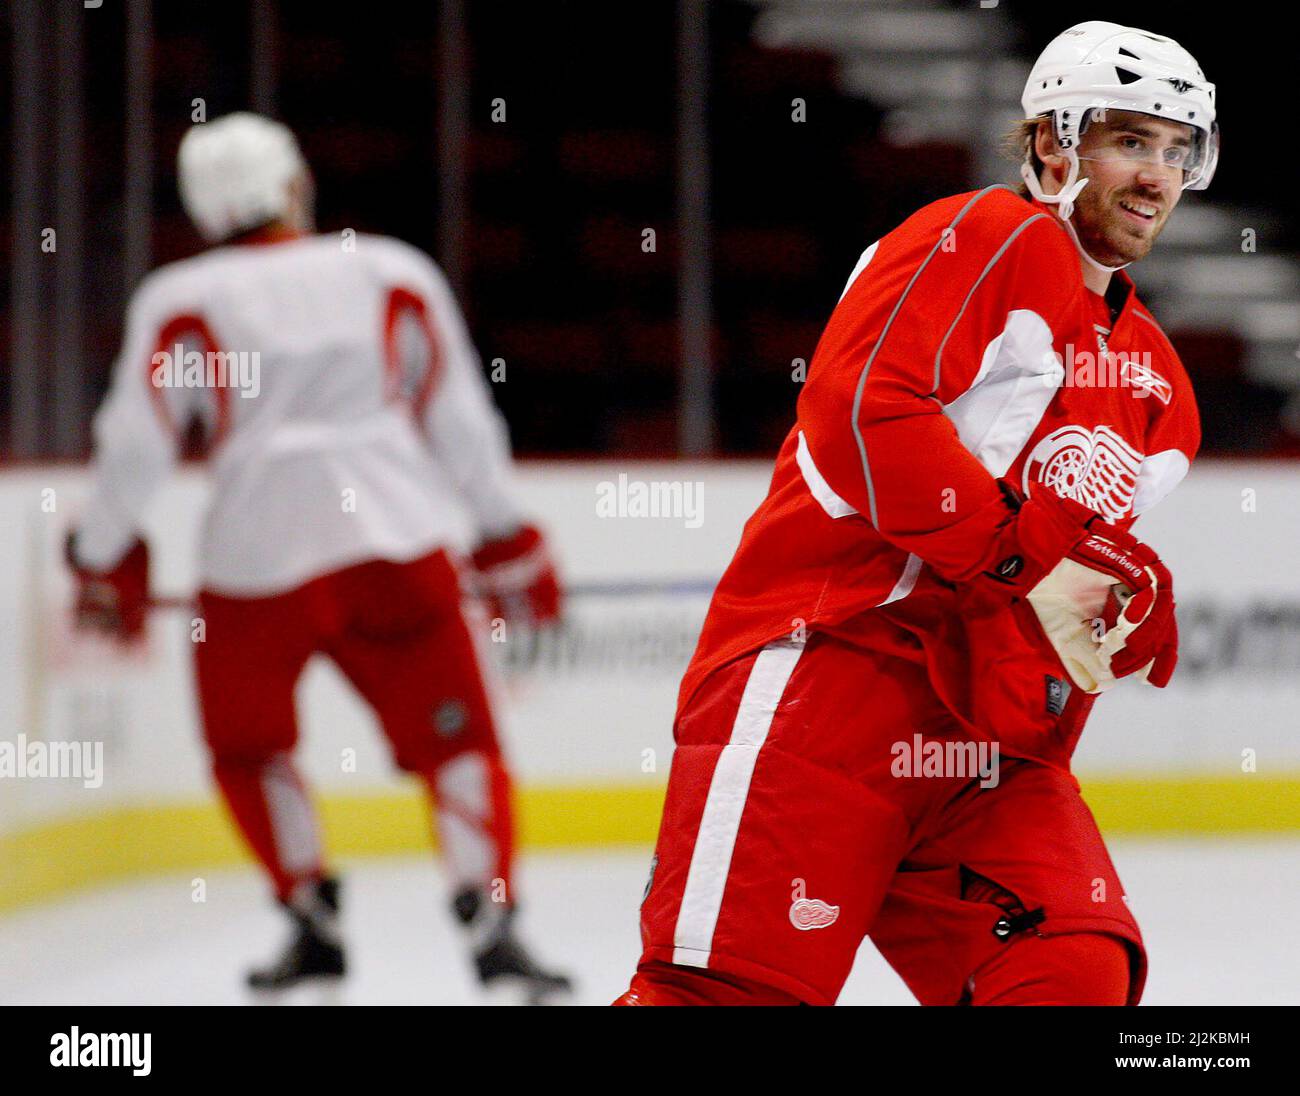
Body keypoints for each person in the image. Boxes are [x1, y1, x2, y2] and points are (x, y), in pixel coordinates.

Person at [618, 21, 1214, 1006]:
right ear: (1050, 144)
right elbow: (858, 409)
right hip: (830, 670)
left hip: (981, 743)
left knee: (1066, 971)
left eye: (1171, 147)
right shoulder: (988, 234)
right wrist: (1018, 559)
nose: (1153, 175)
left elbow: (1051, 558)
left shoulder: (1156, 381)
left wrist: (1117, 587)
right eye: (1125, 140)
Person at [66, 112, 572, 1003]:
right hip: (396, 540)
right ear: (293, 184)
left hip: (252, 559)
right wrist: (502, 530)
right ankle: (492, 928)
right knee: (460, 744)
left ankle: (312, 920)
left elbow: (136, 447)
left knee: (247, 748)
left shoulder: (181, 297)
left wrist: (99, 550)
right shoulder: (387, 269)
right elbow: (457, 419)